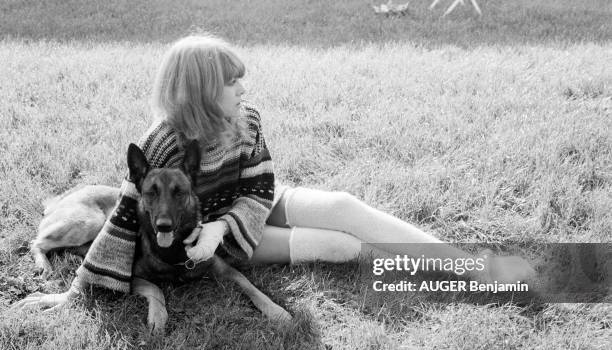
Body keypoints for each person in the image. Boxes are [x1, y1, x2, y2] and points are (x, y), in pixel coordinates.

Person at [15, 34, 533, 313]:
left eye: (242, 80)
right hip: (213, 242)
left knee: (345, 208)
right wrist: (77, 291)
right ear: (198, 90)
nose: (243, 90)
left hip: (245, 212)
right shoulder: (161, 142)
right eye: (231, 82)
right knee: (342, 247)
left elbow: (261, 187)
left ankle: (473, 270)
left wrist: (227, 220)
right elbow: (125, 220)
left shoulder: (247, 120)